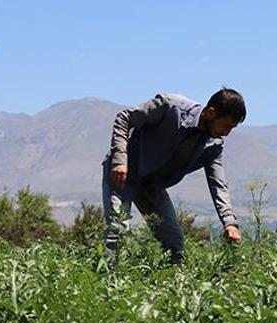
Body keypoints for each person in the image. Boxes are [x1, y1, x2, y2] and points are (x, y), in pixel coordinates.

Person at [101, 87, 245, 263]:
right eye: (226, 126)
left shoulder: (213, 145)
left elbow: (218, 184)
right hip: (123, 174)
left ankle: (168, 280)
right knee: (117, 232)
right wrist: (119, 160)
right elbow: (124, 117)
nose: (227, 133)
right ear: (210, 113)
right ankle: (109, 277)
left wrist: (230, 223)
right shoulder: (170, 106)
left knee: (174, 243)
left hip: (152, 186)